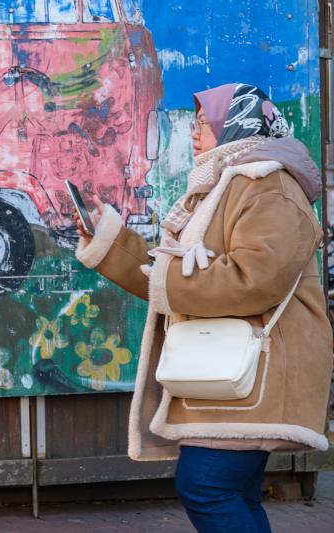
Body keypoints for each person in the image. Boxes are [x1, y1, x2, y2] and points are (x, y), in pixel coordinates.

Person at [74, 83, 332, 532]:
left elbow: (255, 280)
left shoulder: (268, 185)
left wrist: (175, 276)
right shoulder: (226, 184)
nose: (194, 133)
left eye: (204, 123)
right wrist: (109, 241)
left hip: (258, 371)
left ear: (237, 124)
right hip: (233, 374)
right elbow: (175, 276)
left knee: (206, 486)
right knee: (231, 493)